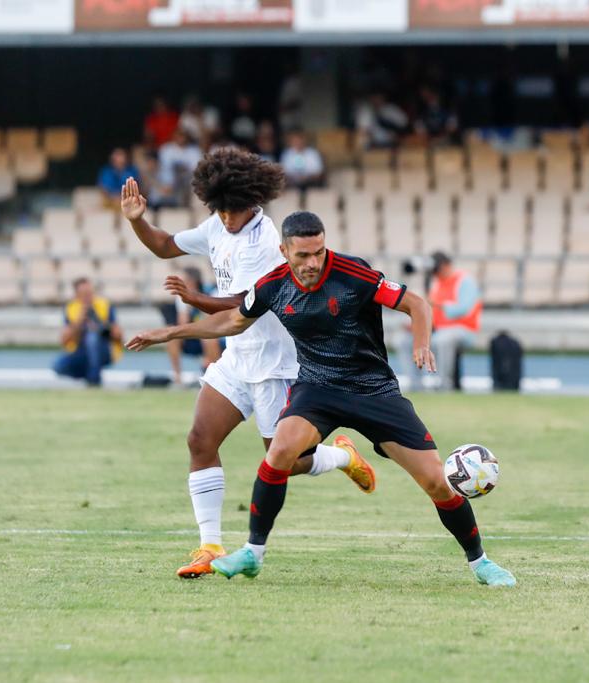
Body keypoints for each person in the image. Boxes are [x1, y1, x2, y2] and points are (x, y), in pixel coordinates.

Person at [126, 211, 516, 587]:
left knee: (435, 481)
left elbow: (416, 303)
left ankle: (481, 563)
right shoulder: (272, 285)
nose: (313, 262)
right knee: (279, 454)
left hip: (372, 389)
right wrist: (170, 333)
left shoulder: (352, 273)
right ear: (285, 251)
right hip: (317, 387)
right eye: (303, 255)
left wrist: (422, 343)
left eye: (319, 252)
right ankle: (252, 553)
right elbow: (231, 321)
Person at [120, 149, 375, 579]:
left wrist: (195, 300)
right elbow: (165, 246)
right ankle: (209, 546)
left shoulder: (265, 241)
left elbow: (244, 307)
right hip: (237, 361)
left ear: (252, 201)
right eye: (219, 209)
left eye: (233, 210)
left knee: (285, 462)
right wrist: (136, 220)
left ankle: (341, 457)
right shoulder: (218, 224)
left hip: (277, 365)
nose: (226, 218)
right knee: (200, 439)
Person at [397, 252, 481, 392]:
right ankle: (416, 386)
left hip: (463, 329)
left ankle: (443, 385)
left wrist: (438, 304)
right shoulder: (436, 283)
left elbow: (463, 309)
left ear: (447, 265)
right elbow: (431, 312)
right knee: (403, 340)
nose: (436, 273)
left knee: (441, 340)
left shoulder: (465, 281)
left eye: (438, 270)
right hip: (437, 329)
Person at [54, 278, 122, 387]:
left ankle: (94, 381)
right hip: (80, 351)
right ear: (77, 295)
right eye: (84, 294)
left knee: (92, 338)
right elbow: (64, 340)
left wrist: (104, 326)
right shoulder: (71, 308)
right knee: (58, 366)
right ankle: (89, 375)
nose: (88, 297)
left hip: (104, 349)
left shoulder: (104, 304)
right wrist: (79, 322)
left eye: (90, 293)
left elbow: (118, 335)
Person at [162, 267, 222, 385]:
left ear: (192, 281)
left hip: (213, 335)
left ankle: (217, 380)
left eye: (183, 280)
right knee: (173, 338)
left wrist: (200, 303)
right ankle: (178, 378)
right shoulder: (182, 297)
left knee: (209, 339)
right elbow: (182, 324)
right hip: (195, 335)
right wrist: (188, 304)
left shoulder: (212, 292)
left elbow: (213, 322)